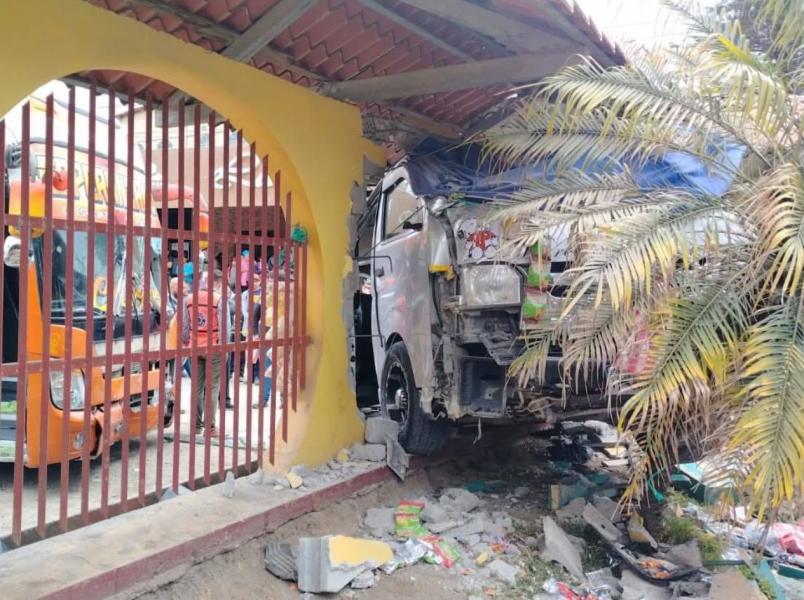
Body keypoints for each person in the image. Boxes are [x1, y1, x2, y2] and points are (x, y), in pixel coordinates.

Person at [183, 269, 229, 435]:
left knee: (196, 387)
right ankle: (210, 427)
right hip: (214, 347)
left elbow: (184, 326)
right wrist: (225, 348)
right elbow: (225, 327)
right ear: (216, 282)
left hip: (194, 347)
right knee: (212, 387)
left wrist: (186, 342)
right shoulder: (219, 299)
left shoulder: (189, 299)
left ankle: (195, 426)